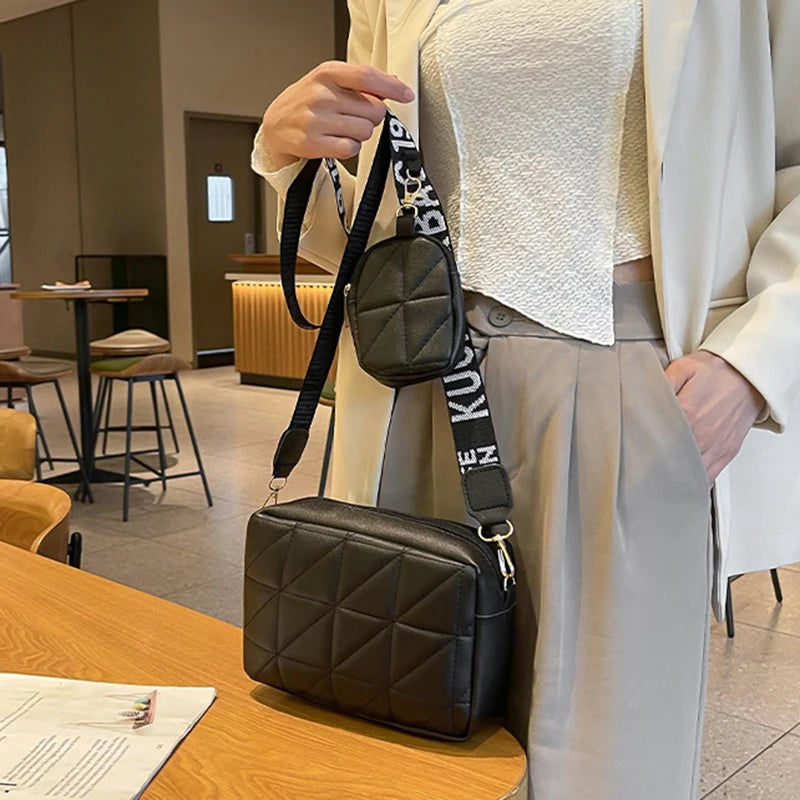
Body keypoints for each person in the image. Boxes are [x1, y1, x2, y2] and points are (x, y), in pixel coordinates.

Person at [251, 2, 800, 798]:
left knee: (608, 756)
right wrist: (288, 154)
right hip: (419, 382)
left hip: (632, 387)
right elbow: (366, 234)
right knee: (407, 720)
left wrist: (751, 365)